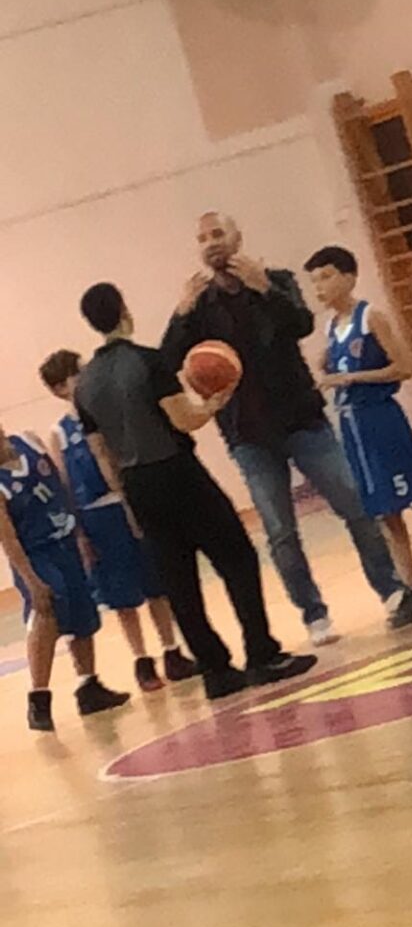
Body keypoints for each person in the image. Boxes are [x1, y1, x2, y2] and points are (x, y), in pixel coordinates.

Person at [161, 212, 402, 646]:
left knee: (354, 504)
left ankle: (391, 590)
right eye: (202, 238)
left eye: (218, 234)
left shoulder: (277, 281)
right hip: (248, 435)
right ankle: (313, 614)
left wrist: (265, 290)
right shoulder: (196, 306)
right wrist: (180, 313)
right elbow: (166, 361)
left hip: (301, 419)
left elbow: (302, 323)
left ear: (237, 237)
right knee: (280, 532)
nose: (211, 243)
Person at [74, 283, 316, 701]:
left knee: (179, 580)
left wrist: (127, 500)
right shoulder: (147, 361)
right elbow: (184, 420)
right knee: (237, 557)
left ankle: (216, 672)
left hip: (136, 484)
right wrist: (217, 400)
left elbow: (101, 453)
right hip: (177, 471)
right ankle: (261, 654)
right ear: (124, 310)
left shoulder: (84, 385)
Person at [304, 245, 412, 628]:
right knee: (385, 511)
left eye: (326, 277)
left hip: (381, 420)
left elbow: (404, 367)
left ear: (349, 277)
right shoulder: (331, 328)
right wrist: (327, 367)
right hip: (354, 428)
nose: (320, 287)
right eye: (314, 281)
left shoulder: (371, 318)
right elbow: (335, 367)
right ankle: (411, 586)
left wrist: (352, 377)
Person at [38, 349, 198, 693]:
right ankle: (141, 659)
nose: (84, 378)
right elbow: (65, 487)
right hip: (97, 516)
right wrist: (80, 535)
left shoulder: (107, 412)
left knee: (156, 582)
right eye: (76, 374)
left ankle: (172, 650)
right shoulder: (59, 432)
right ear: (59, 388)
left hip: (130, 502)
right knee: (122, 596)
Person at [0, 422, 129, 733]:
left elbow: (63, 492)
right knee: (47, 608)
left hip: (66, 541)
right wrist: (31, 580)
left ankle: (89, 687)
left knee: (83, 612)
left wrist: (81, 534)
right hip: (36, 554)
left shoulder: (30, 441)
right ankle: (38, 699)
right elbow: (9, 540)